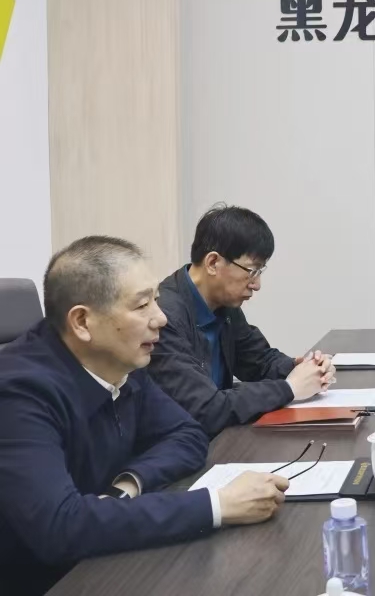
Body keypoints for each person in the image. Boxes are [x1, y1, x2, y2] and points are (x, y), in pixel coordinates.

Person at [0, 236, 290, 596]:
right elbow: (60, 528)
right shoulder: (18, 393)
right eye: (142, 305)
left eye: (156, 298)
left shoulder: (119, 357)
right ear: (82, 322)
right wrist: (217, 505)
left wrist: (128, 485)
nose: (161, 318)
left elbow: (188, 434)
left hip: (107, 555)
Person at [150, 205, 334, 436]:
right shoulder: (163, 318)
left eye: (259, 272)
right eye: (251, 271)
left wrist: (304, 368)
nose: (256, 285)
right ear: (213, 263)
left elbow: (258, 361)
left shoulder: (223, 303)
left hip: (219, 435)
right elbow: (204, 408)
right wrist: (290, 388)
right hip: (183, 443)